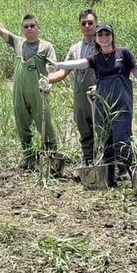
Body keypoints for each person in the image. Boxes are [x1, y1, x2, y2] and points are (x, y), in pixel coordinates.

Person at [44, 23, 137, 186]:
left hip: (122, 103)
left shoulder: (124, 54)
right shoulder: (96, 58)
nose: (104, 38)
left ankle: (132, 176)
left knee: (122, 139)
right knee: (104, 139)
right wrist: (58, 65)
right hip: (102, 105)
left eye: (107, 34)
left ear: (112, 36)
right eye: (100, 35)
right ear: (96, 38)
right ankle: (108, 178)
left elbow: (136, 72)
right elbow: (77, 64)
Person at [0, 4, 58, 170]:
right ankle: (29, 160)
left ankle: (52, 161)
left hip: (38, 92)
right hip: (19, 93)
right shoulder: (18, 43)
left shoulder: (46, 47)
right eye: (26, 26)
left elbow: (53, 68)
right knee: (22, 128)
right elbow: (0, 29)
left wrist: (49, 82)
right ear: (22, 29)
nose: (29, 29)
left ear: (38, 28)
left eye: (32, 26)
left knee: (45, 127)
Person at [50, 9, 97, 165]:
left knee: (103, 130)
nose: (87, 26)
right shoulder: (74, 49)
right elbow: (63, 72)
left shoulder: (103, 43)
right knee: (84, 131)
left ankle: (108, 166)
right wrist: (47, 80)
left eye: (90, 23)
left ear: (96, 23)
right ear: (80, 26)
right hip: (80, 97)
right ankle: (89, 164)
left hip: (99, 96)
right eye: (84, 23)